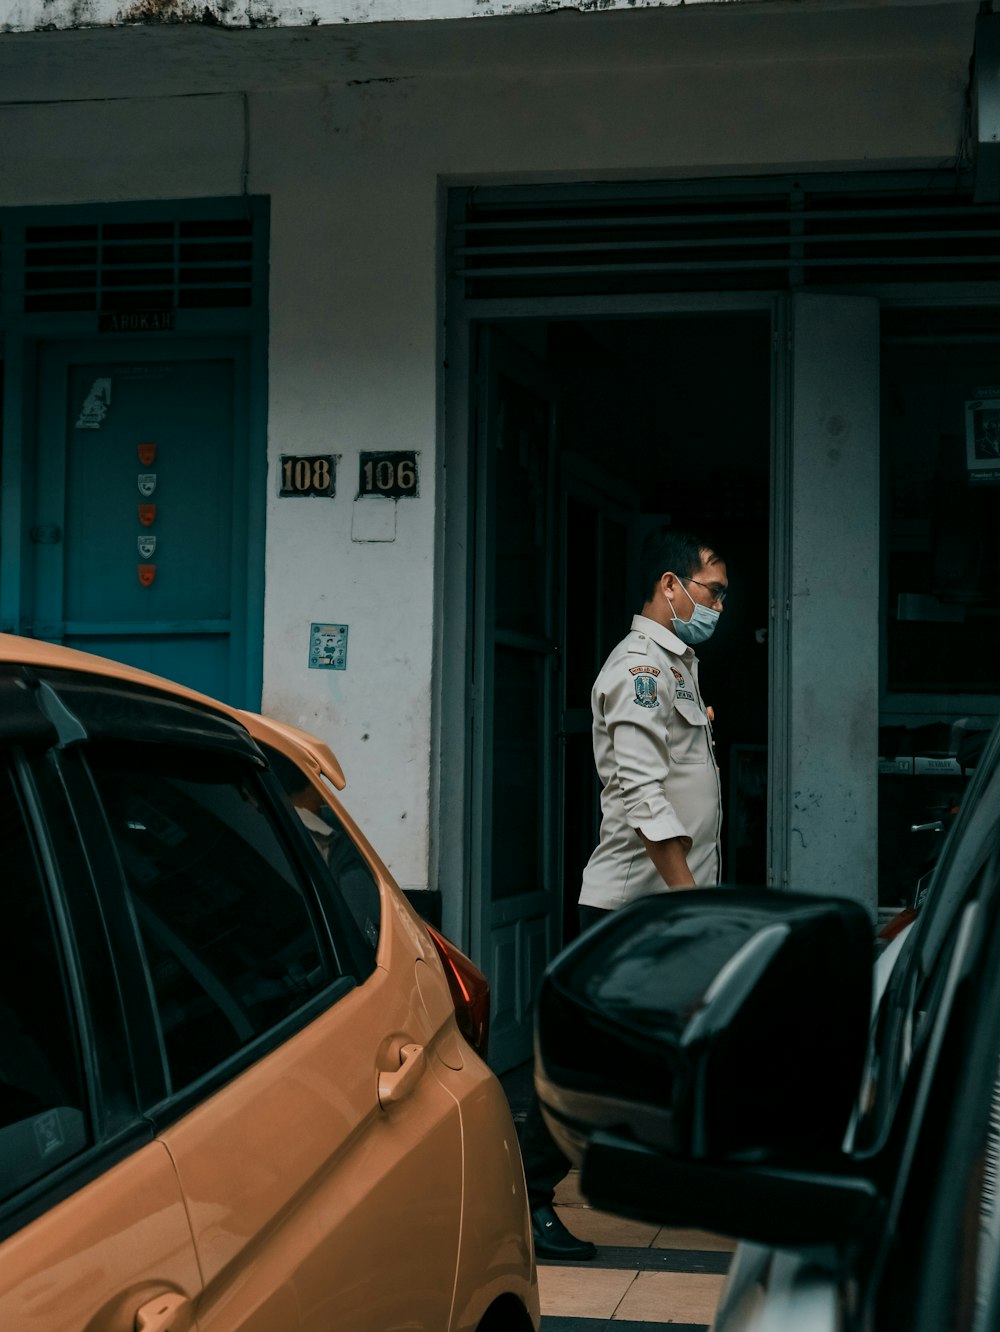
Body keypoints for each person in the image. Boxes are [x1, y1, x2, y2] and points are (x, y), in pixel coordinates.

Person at [524, 527, 728, 1260]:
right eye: (712, 591)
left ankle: (673, 1178)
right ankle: (527, 1192)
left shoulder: (679, 664)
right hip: (635, 913)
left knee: (672, 1052)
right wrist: (686, 904)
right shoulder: (639, 669)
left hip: (662, 906)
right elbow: (645, 797)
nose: (719, 605)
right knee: (595, 1072)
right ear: (670, 586)